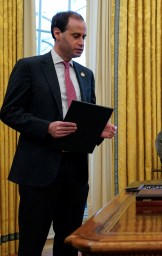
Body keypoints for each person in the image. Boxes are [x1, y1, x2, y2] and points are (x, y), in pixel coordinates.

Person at [0, 11, 116, 256]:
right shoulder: (29, 67)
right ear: (56, 33)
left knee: (69, 244)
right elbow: (9, 111)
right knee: (32, 244)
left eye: (84, 36)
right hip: (39, 171)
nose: (81, 42)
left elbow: (83, 121)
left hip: (75, 172)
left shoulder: (86, 75)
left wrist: (98, 131)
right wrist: (46, 127)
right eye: (75, 36)